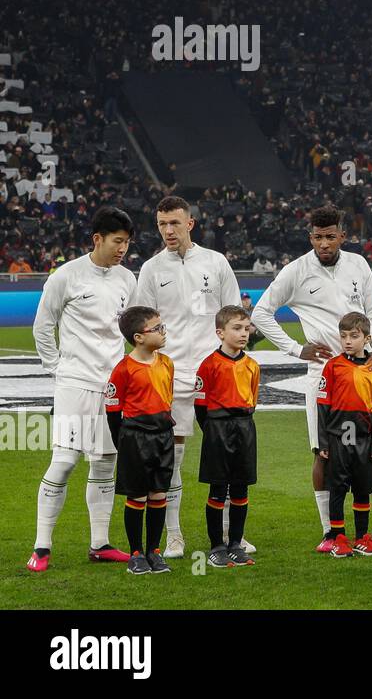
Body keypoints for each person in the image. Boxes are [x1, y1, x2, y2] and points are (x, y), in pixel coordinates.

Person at [251, 205, 372, 551]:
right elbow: (261, 312)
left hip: (366, 371)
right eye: (318, 237)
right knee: (324, 453)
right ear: (311, 237)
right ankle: (329, 532)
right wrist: (295, 348)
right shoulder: (296, 271)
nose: (324, 243)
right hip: (324, 373)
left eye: (330, 236)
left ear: (342, 235)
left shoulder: (358, 265)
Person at [131, 195, 241, 559]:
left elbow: (233, 315)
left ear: (190, 223)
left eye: (174, 223)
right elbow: (140, 322)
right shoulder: (151, 270)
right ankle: (175, 536)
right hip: (172, 377)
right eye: (162, 224)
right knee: (172, 457)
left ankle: (228, 535)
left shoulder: (216, 262)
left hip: (215, 374)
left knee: (225, 455)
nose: (168, 230)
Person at [28, 206, 137, 572]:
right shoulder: (66, 276)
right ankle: (42, 547)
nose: (122, 249)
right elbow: (43, 326)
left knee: (106, 463)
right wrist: (58, 370)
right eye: (117, 241)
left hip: (111, 386)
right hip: (74, 383)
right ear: (97, 239)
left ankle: (100, 543)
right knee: (64, 462)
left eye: (126, 243)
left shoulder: (126, 279)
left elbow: (127, 330)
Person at [106, 306, 176, 575]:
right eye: (157, 328)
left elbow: (166, 398)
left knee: (158, 493)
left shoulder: (167, 362)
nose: (163, 331)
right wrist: (122, 442)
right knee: (137, 495)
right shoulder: (124, 369)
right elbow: (113, 410)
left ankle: (154, 551)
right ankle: (136, 553)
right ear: (138, 337)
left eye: (162, 325)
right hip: (135, 438)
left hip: (163, 435)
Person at [317, 313, 372, 558]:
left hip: (364, 439)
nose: (347, 341)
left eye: (354, 336)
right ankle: (338, 538)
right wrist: (323, 440)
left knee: (362, 488)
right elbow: (322, 406)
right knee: (337, 488)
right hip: (338, 439)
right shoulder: (333, 366)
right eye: (344, 336)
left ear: (367, 339)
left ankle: (362, 537)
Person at [195, 304, 261, 567]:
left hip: (244, 427)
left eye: (246, 328)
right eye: (237, 328)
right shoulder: (209, 364)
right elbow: (200, 407)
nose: (244, 333)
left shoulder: (252, 365)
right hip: (217, 429)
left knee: (241, 488)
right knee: (218, 489)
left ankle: (235, 543)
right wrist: (214, 431)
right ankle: (216, 546)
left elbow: (253, 401)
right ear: (220, 333)